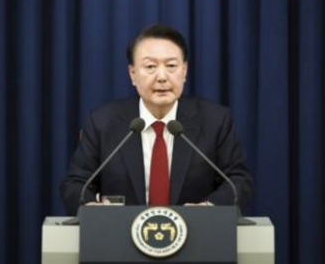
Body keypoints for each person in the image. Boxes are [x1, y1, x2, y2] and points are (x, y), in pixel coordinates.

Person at [60, 23, 253, 215]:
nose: (162, 77)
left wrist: (209, 210)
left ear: (184, 71)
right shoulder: (102, 122)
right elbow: (76, 183)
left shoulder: (215, 121)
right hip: (121, 233)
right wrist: (91, 208)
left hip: (196, 232)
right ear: (133, 74)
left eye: (171, 66)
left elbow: (238, 180)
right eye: (150, 66)